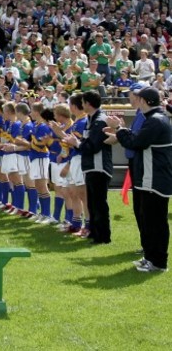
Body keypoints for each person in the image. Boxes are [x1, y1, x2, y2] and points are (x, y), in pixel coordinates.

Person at [106, 87, 172, 272]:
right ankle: (150, 258)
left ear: (145, 101)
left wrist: (118, 128)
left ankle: (158, 262)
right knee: (148, 220)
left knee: (155, 223)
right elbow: (135, 138)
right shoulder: (153, 119)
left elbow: (135, 143)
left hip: (154, 179)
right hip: (148, 178)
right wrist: (120, 130)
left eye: (138, 97)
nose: (134, 99)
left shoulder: (156, 121)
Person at [64, 90, 113, 244]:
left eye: (83, 102)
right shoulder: (92, 119)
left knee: (99, 204)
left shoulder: (100, 120)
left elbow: (93, 146)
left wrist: (76, 143)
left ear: (88, 104)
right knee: (92, 203)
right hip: (90, 166)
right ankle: (94, 232)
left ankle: (103, 236)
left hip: (98, 167)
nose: (82, 105)